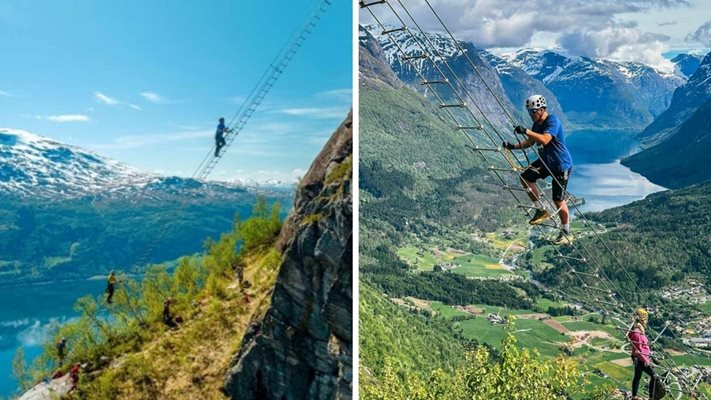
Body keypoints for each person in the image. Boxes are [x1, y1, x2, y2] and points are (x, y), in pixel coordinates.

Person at [502, 95, 574, 245]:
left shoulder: (552, 121)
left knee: (558, 200)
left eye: (533, 112)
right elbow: (530, 142)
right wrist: (512, 146)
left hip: (561, 165)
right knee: (525, 177)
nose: (531, 115)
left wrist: (526, 130)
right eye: (529, 112)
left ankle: (566, 231)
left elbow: (545, 139)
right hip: (546, 162)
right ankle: (540, 209)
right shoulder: (536, 124)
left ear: (541, 110)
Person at [627, 308, 659, 400]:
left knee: (638, 376)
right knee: (654, 376)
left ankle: (634, 396)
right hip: (641, 358)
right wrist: (646, 361)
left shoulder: (637, 330)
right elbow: (639, 349)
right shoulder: (638, 333)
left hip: (639, 357)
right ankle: (651, 397)